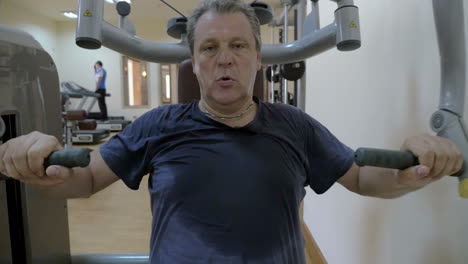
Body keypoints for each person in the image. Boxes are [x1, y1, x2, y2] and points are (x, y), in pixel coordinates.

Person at [0, 0, 463, 263]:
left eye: (238, 45)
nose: (225, 58)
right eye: (210, 48)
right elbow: (83, 179)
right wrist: (39, 166)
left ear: (257, 60)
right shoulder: (159, 125)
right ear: (194, 62)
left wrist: (409, 172)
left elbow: (362, 178)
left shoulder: (295, 126)